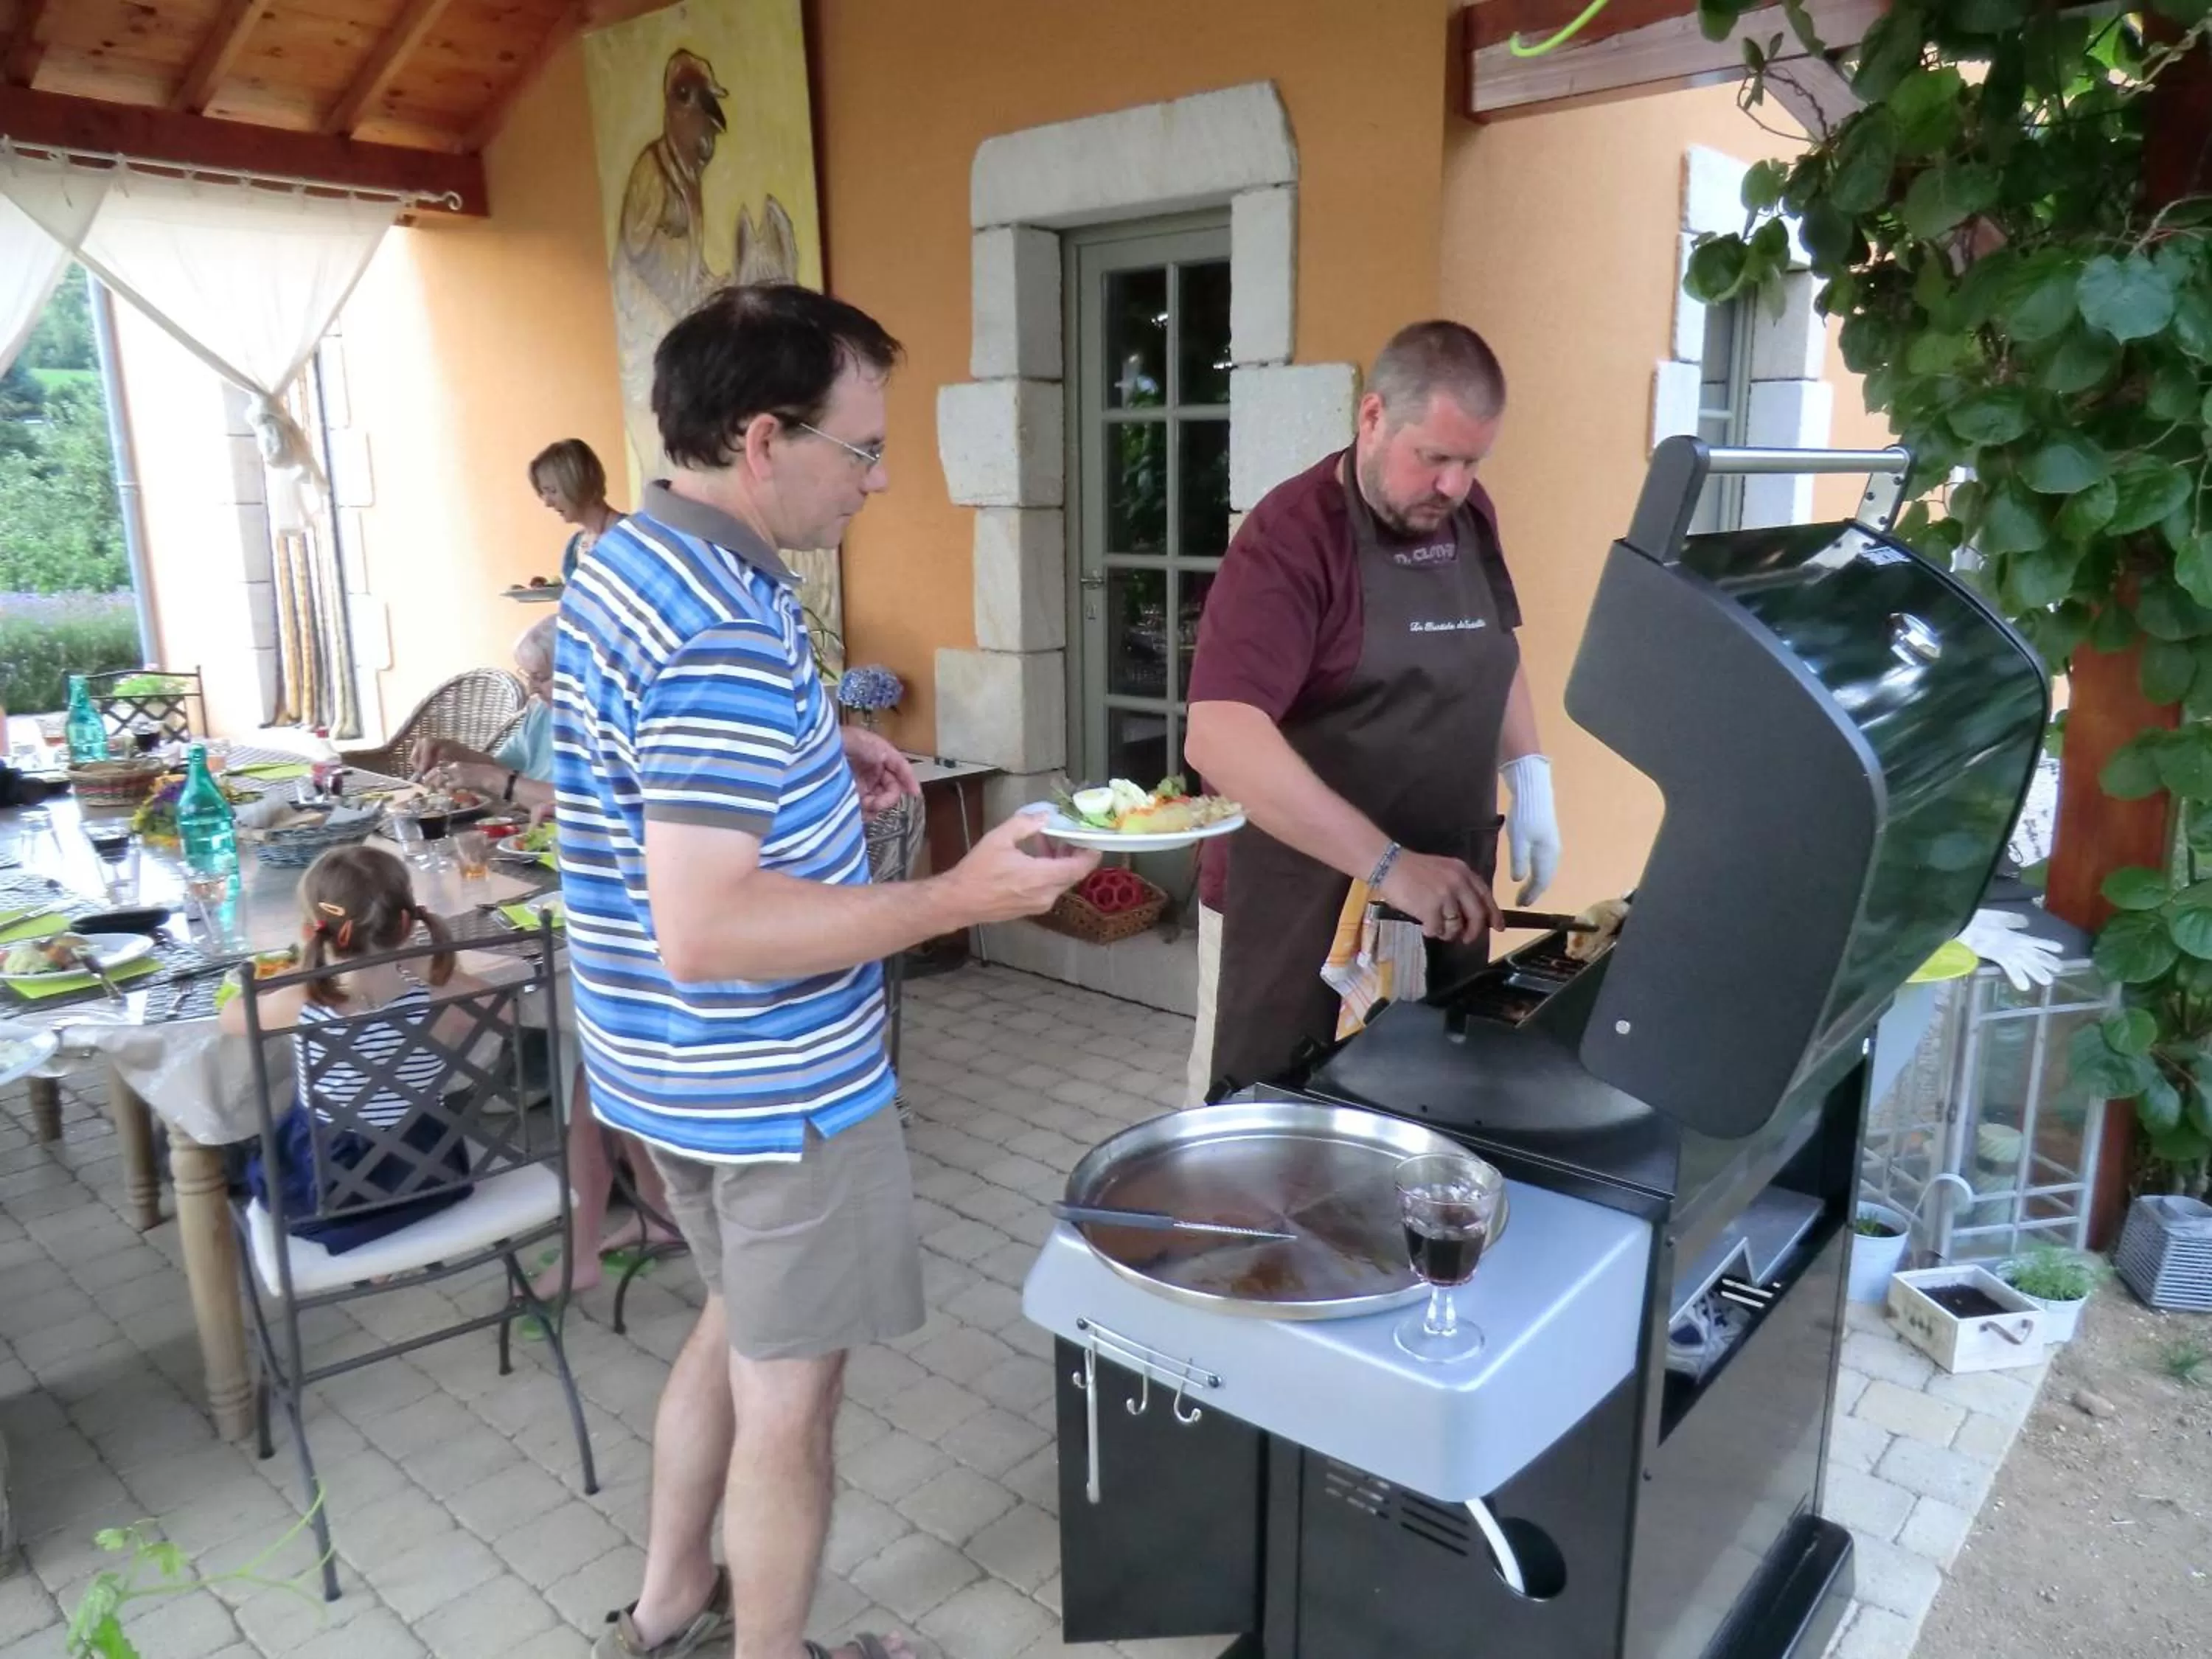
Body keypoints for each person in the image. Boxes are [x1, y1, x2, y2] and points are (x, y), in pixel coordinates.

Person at [557, 282, 1096, 1659]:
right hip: (778, 1092)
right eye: (860, 448)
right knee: (789, 1403)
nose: (880, 476)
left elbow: (660, 779)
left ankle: (668, 1608)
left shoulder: (630, 558)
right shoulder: (725, 626)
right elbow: (712, 926)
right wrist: (959, 896)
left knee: (734, 1334)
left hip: (661, 1073)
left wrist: (812, 747)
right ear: (759, 440)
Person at [1181, 320, 1564, 1102]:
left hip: (1439, 897)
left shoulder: (1466, 512)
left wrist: (1529, 774)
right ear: (1372, 417)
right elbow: (1219, 736)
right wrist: (1389, 865)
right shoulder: (1288, 541)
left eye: (1472, 462)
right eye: (1435, 458)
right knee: (1265, 1133)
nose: (1454, 485)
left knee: (1417, 1115)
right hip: (1298, 908)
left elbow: (1495, 646)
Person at [410, 616, 678, 1298]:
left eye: (543, 677)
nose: (534, 689)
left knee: (595, 1078)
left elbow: (579, 802)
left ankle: (590, 1244)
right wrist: (462, 759)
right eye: (529, 678)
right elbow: (519, 778)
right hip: (586, 904)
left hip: (630, 921)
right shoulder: (556, 714)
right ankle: (656, 1213)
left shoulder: (620, 717)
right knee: (593, 1072)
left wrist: (494, 781)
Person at [225, 845, 487, 1253]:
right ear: (406, 925)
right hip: (430, 1170)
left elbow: (232, 1016)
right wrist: (428, 968)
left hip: (335, 1188)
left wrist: (299, 973)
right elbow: (495, 1000)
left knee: (264, 1146)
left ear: (311, 930)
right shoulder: (436, 998)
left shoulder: (301, 1003)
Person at [532, 438, 626, 582]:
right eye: (543, 493)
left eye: (552, 491)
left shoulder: (632, 535)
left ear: (578, 482)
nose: (547, 503)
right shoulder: (574, 547)